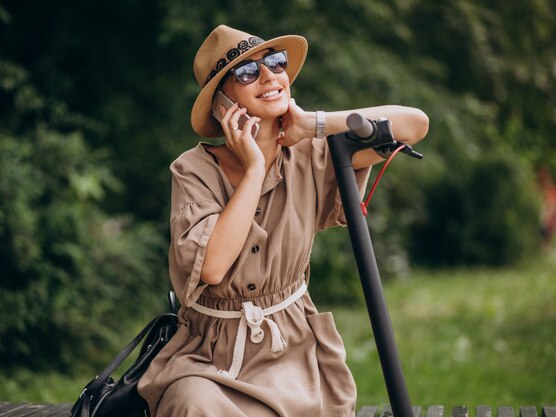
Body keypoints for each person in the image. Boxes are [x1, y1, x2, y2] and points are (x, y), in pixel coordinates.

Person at [137, 25, 429, 417]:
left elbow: (415, 124)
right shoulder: (193, 170)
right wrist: (254, 168)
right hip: (209, 359)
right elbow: (212, 265)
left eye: (275, 63)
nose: (270, 75)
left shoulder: (312, 153)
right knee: (193, 404)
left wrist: (313, 124)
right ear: (222, 105)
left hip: (292, 352)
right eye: (246, 72)